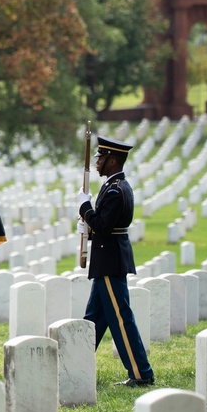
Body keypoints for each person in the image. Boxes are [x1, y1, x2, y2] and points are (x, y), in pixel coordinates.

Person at [77, 136, 155, 387]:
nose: (97, 162)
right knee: (94, 320)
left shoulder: (115, 190)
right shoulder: (116, 187)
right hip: (106, 261)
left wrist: (85, 208)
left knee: (121, 319)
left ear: (112, 161)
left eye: (101, 158)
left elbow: (102, 226)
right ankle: (75, 365)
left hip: (109, 261)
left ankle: (141, 373)